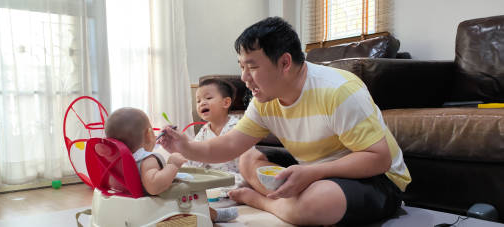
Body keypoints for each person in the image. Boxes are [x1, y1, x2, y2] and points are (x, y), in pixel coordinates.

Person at [159, 17, 411, 226]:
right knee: (247, 157)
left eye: (252, 67)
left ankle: (263, 200)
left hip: (377, 178)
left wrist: (313, 173)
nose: (244, 77)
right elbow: (228, 145)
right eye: (241, 67)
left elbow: (379, 158)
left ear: (285, 62)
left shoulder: (338, 90)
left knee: (318, 201)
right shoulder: (263, 100)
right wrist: (184, 145)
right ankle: (288, 200)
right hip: (313, 168)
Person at [104, 107, 238, 223]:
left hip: (127, 206)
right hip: (153, 206)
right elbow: (154, 186)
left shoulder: (115, 162)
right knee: (187, 193)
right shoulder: (147, 159)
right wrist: (172, 165)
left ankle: (213, 214)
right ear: (149, 134)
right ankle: (213, 215)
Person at [187, 78, 247, 195]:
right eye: (198, 101)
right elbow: (194, 157)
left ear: (226, 103)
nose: (202, 103)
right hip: (212, 178)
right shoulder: (204, 131)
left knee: (241, 183)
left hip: (234, 177)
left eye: (208, 98)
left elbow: (246, 163)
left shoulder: (237, 128)